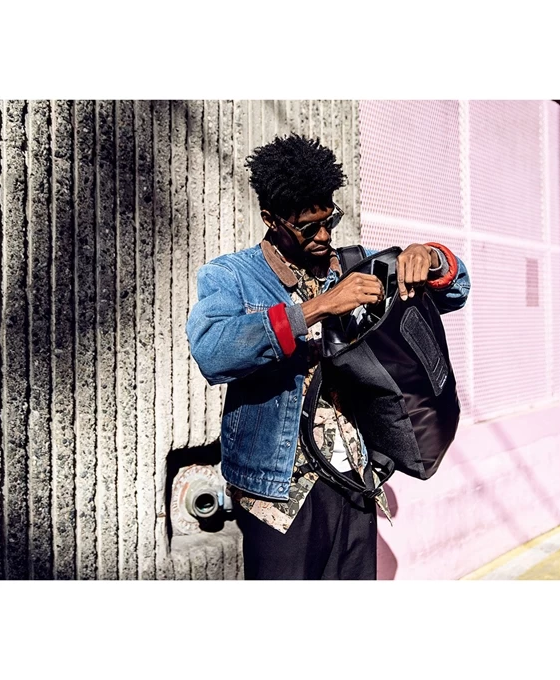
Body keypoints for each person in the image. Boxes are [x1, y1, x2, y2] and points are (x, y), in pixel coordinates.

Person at [186, 134, 470, 580]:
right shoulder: (232, 275)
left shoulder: (356, 265)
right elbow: (212, 352)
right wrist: (317, 308)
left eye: (329, 220)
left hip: (355, 475)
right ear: (271, 219)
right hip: (277, 493)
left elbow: (456, 291)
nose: (323, 235)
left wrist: (429, 257)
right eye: (307, 227)